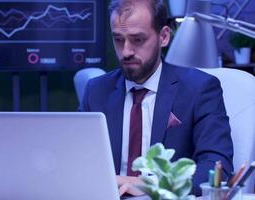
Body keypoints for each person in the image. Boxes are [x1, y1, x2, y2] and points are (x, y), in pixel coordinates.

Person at [79, 0, 233, 196]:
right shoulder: (97, 90)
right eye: (118, 39)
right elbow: (77, 160)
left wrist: (150, 185)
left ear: (164, 36)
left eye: (138, 40)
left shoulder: (199, 89)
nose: (126, 51)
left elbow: (217, 168)